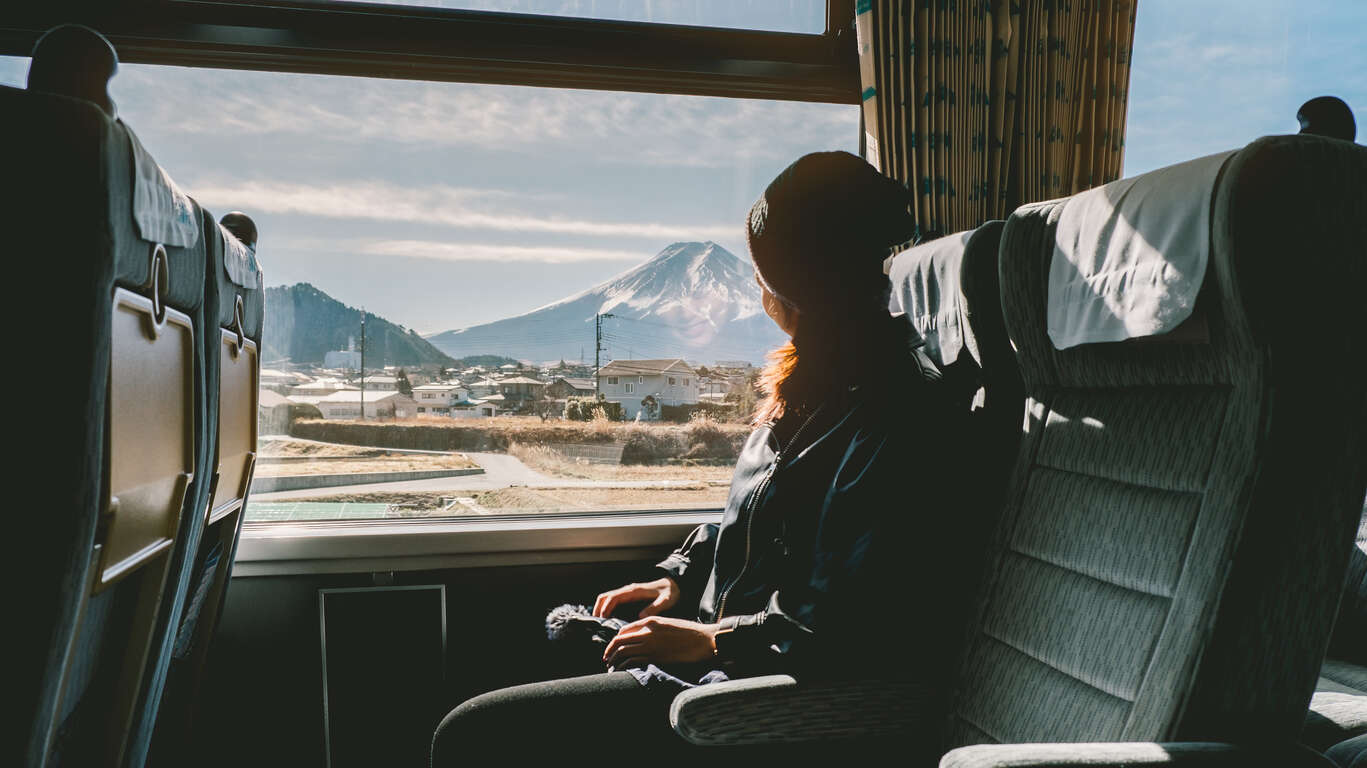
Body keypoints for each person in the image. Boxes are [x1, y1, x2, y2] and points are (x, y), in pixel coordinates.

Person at [430, 151, 976, 764]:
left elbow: (844, 616)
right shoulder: (815, 387)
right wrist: (680, 577)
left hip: (755, 698)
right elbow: (771, 523)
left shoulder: (897, 416)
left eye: (765, 273)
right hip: (727, 660)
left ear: (797, 287)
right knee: (494, 658)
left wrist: (711, 641)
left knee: (472, 735)